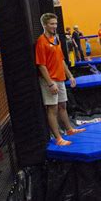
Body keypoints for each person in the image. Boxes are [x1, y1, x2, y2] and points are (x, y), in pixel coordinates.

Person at [36, 13, 85, 146]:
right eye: (51, 24)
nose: (54, 26)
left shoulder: (56, 38)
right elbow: (41, 65)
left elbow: (61, 59)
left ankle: (69, 130)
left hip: (60, 77)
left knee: (63, 105)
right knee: (53, 109)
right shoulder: (41, 41)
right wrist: (50, 83)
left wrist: (70, 75)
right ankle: (58, 138)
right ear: (45, 25)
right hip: (50, 80)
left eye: (55, 23)